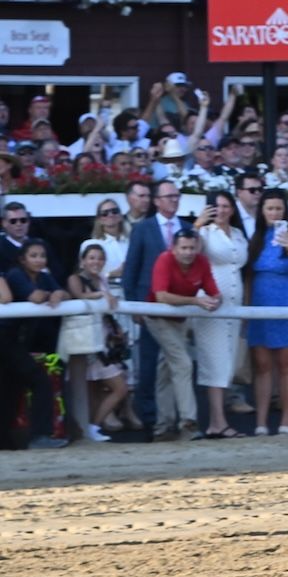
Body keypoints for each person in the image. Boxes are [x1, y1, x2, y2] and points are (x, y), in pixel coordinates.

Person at [122, 181, 190, 432]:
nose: (173, 200)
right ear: (157, 201)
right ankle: (151, 420)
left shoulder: (187, 228)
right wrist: (135, 307)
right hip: (149, 307)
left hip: (181, 310)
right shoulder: (142, 229)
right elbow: (131, 269)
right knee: (149, 365)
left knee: (171, 366)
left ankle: (169, 419)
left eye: (176, 195)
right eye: (168, 196)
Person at [246, 188, 288, 436]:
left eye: (278, 209)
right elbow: (249, 275)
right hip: (260, 304)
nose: (274, 213)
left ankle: (286, 421)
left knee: (285, 364)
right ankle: (261, 422)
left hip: (287, 302)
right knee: (262, 365)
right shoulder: (256, 236)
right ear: (262, 211)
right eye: (270, 209)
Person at [148, 228, 220, 442]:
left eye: (191, 248)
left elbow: (214, 292)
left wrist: (215, 301)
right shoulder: (164, 260)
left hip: (179, 320)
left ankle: (163, 426)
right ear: (174, 248)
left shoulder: (202, 262)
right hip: (158, 317)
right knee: (183, 363)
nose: (188, 252)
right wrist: (197, 301)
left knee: (167, 369)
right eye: (184, 248)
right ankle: (188, 423)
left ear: (197, 247)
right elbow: (161, 296)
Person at [192, 191, 249, 439]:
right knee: (215, 364)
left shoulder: (238, 234)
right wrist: (197, 223)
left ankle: (219, 421)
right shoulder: (203, 234)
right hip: (211, 307)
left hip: (233, 309)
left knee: (227, 364)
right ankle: (217, 422)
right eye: (217, 206)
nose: (222, 210)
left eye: (226, 206)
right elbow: (185, 250)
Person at [63, 242, 127, 443]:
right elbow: (79, 295)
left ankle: (90, 428)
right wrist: (101, 294)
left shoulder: (102, 280)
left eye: (100, 258)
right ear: (82, 261)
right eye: (91, 258)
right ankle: (91, 427)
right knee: (118, 388)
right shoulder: (74, 278)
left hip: (102, 342)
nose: (96, 262)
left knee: (100, 390)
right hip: (86, 343)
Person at [0, 271, 67, 450]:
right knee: (39, 382)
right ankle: (40, 436)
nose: (39, 260)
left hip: (13, 339)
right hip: (6, 339)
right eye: (34, 255)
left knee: (11, 388)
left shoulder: (42, 277)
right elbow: (6, 297)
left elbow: (63, 292)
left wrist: (56, 293)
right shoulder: (15, 275)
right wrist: (49, 294)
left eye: (42, 255)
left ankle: (6, 440)